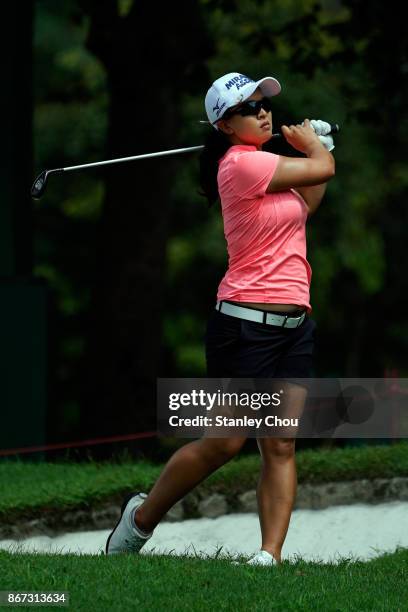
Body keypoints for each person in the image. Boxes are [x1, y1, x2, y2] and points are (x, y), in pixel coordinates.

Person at [105, 72, 335, 565]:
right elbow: (325, 169)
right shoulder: (240, 167)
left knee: (280, 445)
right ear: (226, 125)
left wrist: (317, 151)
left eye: (265, 104)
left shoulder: (271, 166)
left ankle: (268, 557)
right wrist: (318, 147)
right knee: (225, 442)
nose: (265, 112)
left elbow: (311, 197)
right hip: (245, 327)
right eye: (251, 108)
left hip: (294, 328)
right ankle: (140, 519)